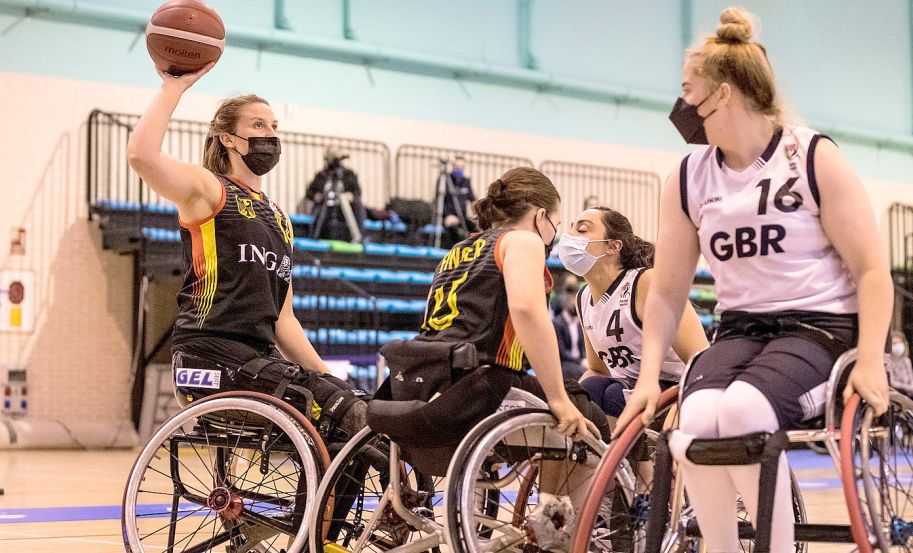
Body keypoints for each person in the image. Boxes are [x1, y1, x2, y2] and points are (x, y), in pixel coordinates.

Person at [614, 8, 893, 553]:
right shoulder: (687, 177)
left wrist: (873, 358)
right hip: (741, 329)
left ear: (721, 94)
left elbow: (872, 271)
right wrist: (648, 377)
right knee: (692, 420)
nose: (681, 105)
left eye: (686, 91)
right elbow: (667, 292)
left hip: (820, 328)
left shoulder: (812, 156)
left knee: (743, 411)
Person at [126, 63, 367, 441]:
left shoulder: (280, 219)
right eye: (258, 126)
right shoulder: (208, 189)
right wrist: (173, 87)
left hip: (259, 359)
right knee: (342, 412)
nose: (270, 135)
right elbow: (142, 156)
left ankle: (328, 501)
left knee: (357, 408)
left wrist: (326, 374)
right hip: (209, 355)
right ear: (228, 139)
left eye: (274, 127)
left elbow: (284, 321)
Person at [414, 166, 605, 439]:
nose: (554, 235)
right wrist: (558, 398)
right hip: (484, 381)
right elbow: (526, 310)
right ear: (541, 217)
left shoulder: (458, 249)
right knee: (589, 415)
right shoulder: (523, 240)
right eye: (556, 225)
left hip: (437, 375)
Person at [555, 207, 708, 417]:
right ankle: (601, 450)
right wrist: (569, 401)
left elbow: (700, 357)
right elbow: (599, 370)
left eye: (581, 230)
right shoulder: (583, 298)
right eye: (570, 229)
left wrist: (680, 408)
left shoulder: (646, 281)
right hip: (627, 387)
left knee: (612, 394)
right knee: (591, 389)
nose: (569, 237)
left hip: (676, 386)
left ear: (613, 246)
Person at [304, 144, 366, 241]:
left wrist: (350, 196)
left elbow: (357, 192)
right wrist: (318, 196)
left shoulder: (348, 174)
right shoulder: (322, 175)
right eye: (331, 154)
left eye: (336, 154)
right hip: (325, 208)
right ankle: (314, 236)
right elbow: (309, 192)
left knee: (359, 205)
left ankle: (358, 238)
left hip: (344, 210)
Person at [438, 156, 477, 247]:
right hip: (448, 217)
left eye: (461, 167)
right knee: (454, 229)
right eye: (457, 167)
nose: (459, 169)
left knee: (475, 228)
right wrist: (447, 215)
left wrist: (477, 214)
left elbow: (473, 199)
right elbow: (439, 202)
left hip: (462, 217)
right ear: (453, 167)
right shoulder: (446, 180)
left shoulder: (466, 182)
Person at [552, 290, 587, 381]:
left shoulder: (579, 323)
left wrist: (585, 359)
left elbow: (583, 346)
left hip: (580, 362)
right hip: (565, 363)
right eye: (572, 304)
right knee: (583, 373)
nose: (574, 307)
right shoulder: (557, 323)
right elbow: (561, 352)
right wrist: (581, 361)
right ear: (565, 304)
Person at [886, 330, 913, 403]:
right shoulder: (888, 362)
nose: (898, 346)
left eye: (900, 343)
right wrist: (912, 388)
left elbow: (911, 379)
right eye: (894, 343)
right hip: (898, 391)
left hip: (909, 392)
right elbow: (893, 383)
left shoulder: (906, 361)